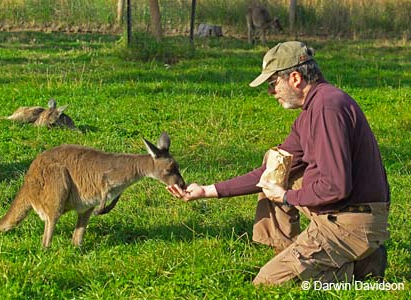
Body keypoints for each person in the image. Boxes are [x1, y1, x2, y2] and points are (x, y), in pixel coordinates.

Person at [166, 41, 390, 286]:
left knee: (267, 284)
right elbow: (268, 173)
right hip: (344, 212)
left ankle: (357, 267)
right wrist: (206, 191)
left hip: (350, 222)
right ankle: (299, 252)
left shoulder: (327, 109)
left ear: (295, 78)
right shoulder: (313, 110)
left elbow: (336, 187)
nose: (271, 92)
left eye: (273, 83)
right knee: (275, 166)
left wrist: (285, 197)